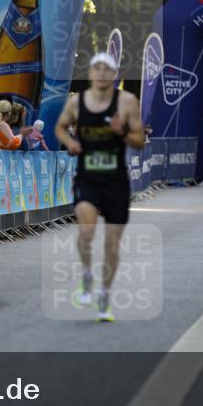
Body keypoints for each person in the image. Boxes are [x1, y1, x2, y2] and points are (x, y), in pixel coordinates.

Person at [55, 52, 145, 322]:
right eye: (98, 68)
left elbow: (139, 141)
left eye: (108, 69)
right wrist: (70, 143)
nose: (102, 73)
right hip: (87, 177)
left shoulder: (127, 102)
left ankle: (105, 295)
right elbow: (60, 127)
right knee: (86, 229)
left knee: (111, 246)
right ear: (91, 73)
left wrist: (121, 132)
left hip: (116, 180)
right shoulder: (77, 102)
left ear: (114, 74)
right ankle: (86, 275)